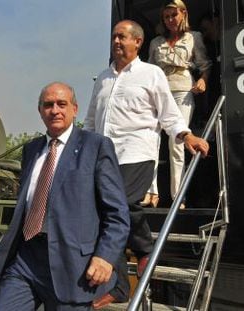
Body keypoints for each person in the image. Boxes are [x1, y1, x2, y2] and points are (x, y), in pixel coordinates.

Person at [84, 20, 209, 309]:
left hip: (137, 153)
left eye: (122, 37)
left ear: (138, 42)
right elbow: (91, 121)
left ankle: (133, 262)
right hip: (105, 156)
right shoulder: (102, 78)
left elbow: (168, 113)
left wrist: (186, 134)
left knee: (120, 205)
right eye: (114, 37)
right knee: (107, 212)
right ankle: (130, 268)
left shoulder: (151, 74)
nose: (116, 41)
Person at [0, 82, 130, 310]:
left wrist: (106, 256)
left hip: (73, 267)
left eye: (61, 104)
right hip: (26, 260)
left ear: (74, 109)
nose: (55, 110)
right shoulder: (31, 149)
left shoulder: (96, 147)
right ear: (40, 111)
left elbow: (118, 213)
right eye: (48, 105)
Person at [144, 0, 212, 208]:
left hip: (183, 90)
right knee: (151, 138)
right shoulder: (156, 42)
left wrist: (203, 79)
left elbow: (205, 65)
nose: (170, 20)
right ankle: (151, 192)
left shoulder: (194, 38)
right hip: (159, 91)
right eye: (166, 17)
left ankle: (178, 196)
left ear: (183, 14)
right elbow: (149, 71)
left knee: (177, 142)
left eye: (174, 15)